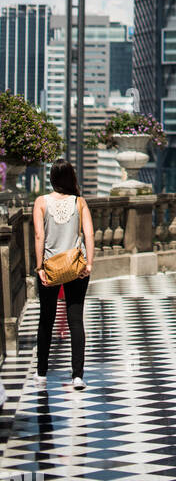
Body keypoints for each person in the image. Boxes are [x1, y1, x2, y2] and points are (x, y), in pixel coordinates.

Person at [32, 159, 95, 389]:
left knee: (46, 320)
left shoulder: (41, 202)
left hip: (50, 267)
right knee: (76, 320)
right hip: (76, 267)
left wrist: (39, 267)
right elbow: (89, 234)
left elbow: (39, 236)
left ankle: (41, 373)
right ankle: (77, 375)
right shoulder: (80, 202)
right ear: (71, 178)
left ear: (52, 178)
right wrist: (89, 264)